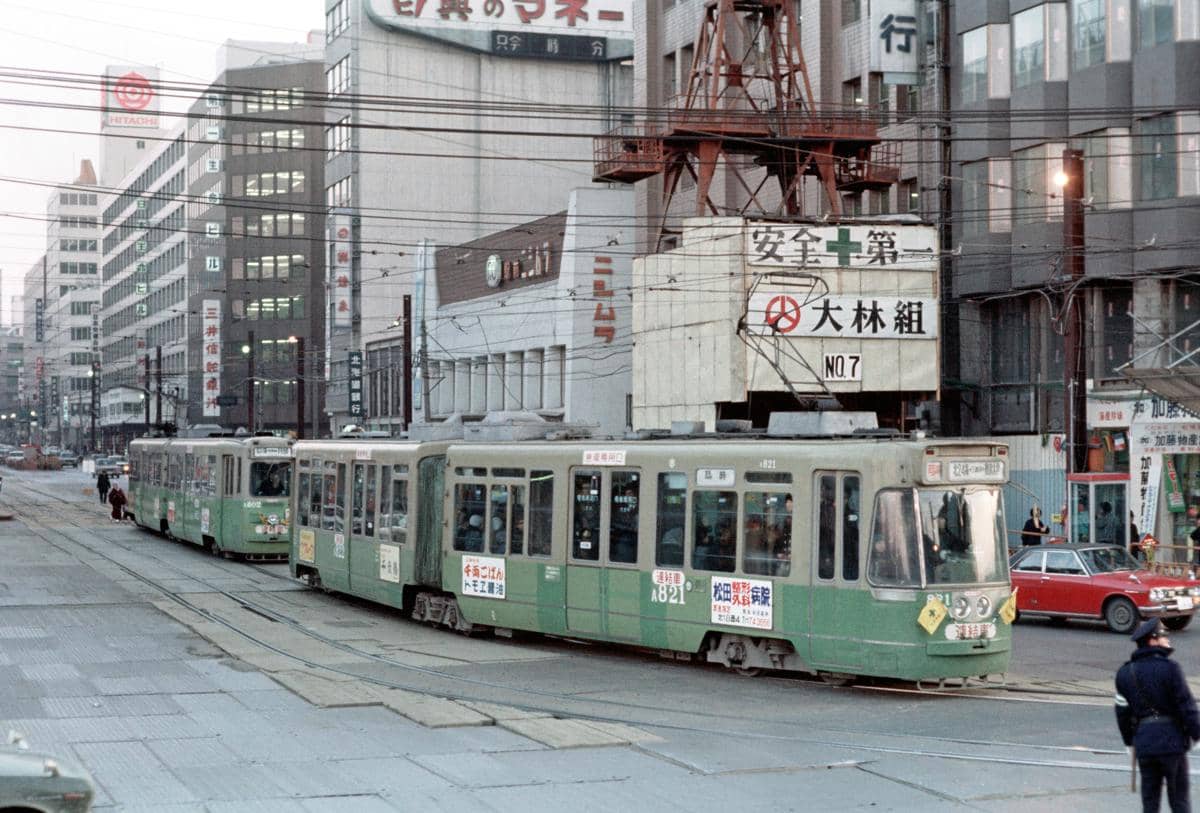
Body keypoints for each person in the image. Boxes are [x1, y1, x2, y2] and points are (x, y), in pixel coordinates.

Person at [1115, 618, 1200, 813]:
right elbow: (1186, 705)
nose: (1167, 639)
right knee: (1179, 802)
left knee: (1150, 803)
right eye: (1163, 635)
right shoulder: (1170, 668)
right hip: (1172, 744)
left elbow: (1122, 712)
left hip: (1144, 745)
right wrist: (1196, 733)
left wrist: (1129, 741)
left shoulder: (1125, 673)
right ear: (1152, 640)